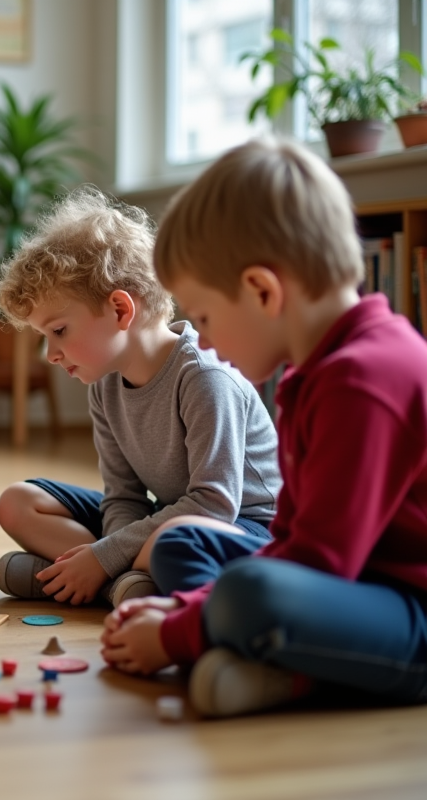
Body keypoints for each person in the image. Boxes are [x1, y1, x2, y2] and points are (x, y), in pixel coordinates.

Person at [101, 137, 427, 718]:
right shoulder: (316, 371)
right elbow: (291, 540)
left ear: (261, 290)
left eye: (202, 316)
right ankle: (267, 659)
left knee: (250, 594)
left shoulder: (363, 380)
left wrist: (177, 632)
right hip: (350, 586)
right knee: (184, 541)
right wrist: (192, 610)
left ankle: (291, 673)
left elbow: (317, 564)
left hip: (410, 613)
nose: (203, 338)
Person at [0, 187, 281, 607]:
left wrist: (104, 557)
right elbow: (123, 497)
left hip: (240, 528)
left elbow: (214, 505)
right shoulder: (104, 383)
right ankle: (120, 584)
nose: (50, 355)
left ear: (120, 311)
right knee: (18, 502)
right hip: (166, 516)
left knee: (171, 542)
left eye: (58, 331)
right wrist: (105, 553)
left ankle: (91, 579)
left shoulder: (205, 378)